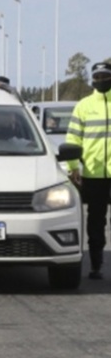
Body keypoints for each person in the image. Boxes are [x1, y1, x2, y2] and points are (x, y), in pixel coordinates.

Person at [66, 61, 111, 280]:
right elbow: (73, 138)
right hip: (93, 174)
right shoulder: (83, 106)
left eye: (105, 76)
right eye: (98, 77)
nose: (101, 80)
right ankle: (96, 265)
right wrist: (73, 167)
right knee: (96, 222)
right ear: (92, 79)